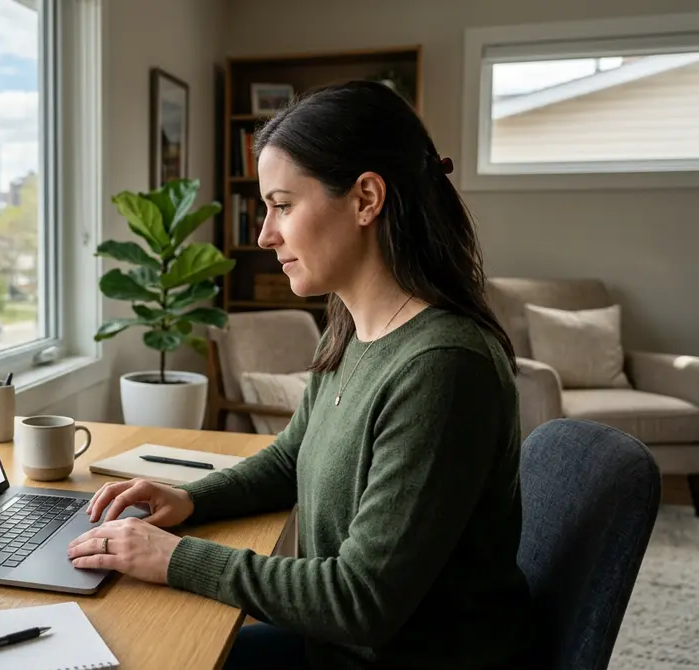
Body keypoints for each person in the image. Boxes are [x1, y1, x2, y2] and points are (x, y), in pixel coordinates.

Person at [66, 80, 534, 669]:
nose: (265, 233)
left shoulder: (443, 367)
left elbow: (361, 600)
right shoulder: (353, 323)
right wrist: (188, 500)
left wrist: (173, 558)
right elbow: (292, 458)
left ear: (366, 198)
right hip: (332, 647)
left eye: (283, 205)